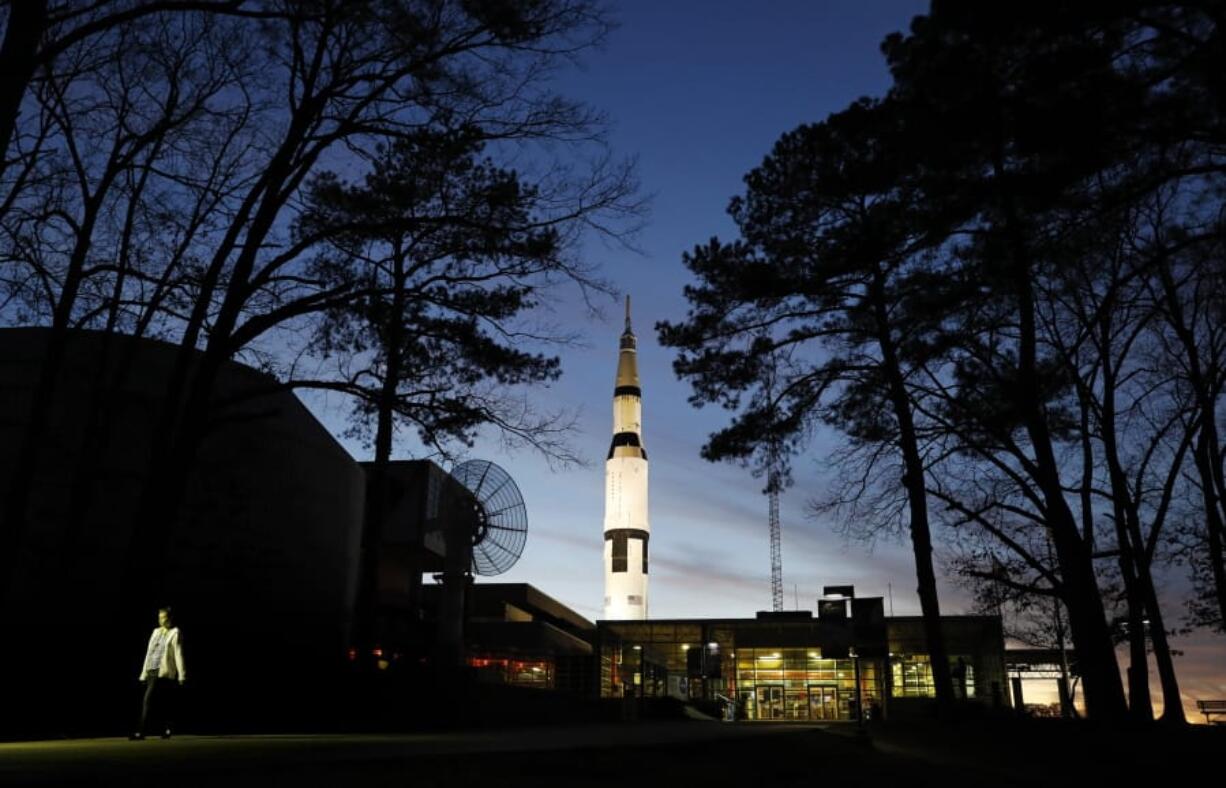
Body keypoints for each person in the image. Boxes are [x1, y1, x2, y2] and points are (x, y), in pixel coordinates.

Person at [130, 607, 186, 740]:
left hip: (164, 672)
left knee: (152, 700)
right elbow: (149, 653)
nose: (161, 620)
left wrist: (182, 674)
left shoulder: (175, 632)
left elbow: (178, 654)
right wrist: (143, 673)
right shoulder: (155, 632)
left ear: (170, 618)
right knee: (157, 702)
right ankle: (166, 729)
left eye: (164, 617)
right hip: (152, 670)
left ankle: (141, 731)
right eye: (159, 617)